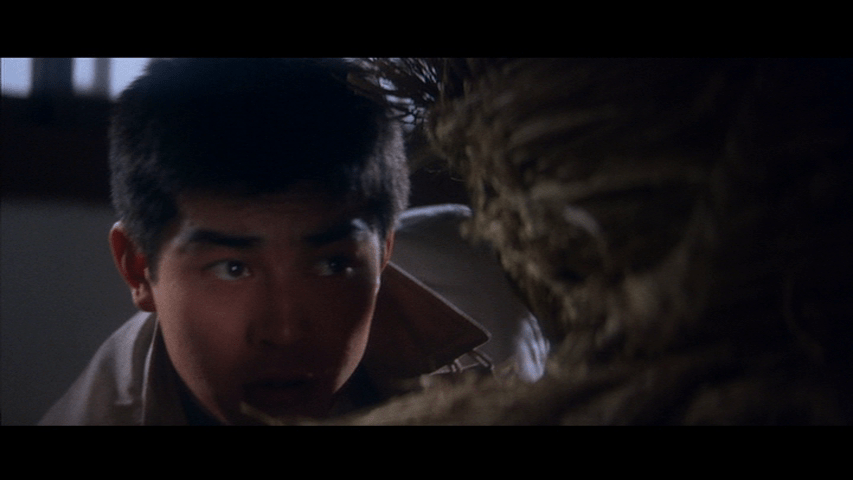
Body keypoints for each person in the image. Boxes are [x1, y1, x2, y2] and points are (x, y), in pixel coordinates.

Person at [39, 58, 545, 425]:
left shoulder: (497, 277)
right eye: (233, 268)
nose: (285, 331)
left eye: (330, 265)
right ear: (137, 268)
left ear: (384, 251)